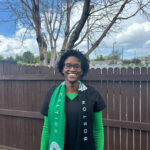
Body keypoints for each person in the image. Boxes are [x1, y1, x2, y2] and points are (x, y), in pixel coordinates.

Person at [40, 50, 106, 150]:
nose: (72, 69)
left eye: (76, 66)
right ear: (62, 69)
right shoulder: (52, 94)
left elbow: (98, 129)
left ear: (82, 70)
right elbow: (46, 129)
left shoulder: (93, 94)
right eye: (68, 65)